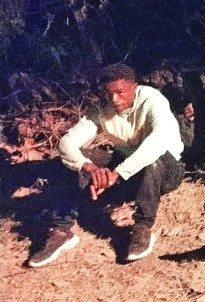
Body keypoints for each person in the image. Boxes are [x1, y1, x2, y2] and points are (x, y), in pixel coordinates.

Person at [27, 64, 185, 267]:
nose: (114, 100)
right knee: (71, 161)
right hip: (128, 172)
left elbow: (158, 141)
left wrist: (116, 173)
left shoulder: (152, 98)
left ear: (134, 87)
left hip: (166, 170)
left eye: (120, 92)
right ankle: (61, 230)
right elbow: (66, 143)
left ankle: (142, 228)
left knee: (152, 161)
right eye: (109, 94)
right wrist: (89, 167)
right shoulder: (100, 109)